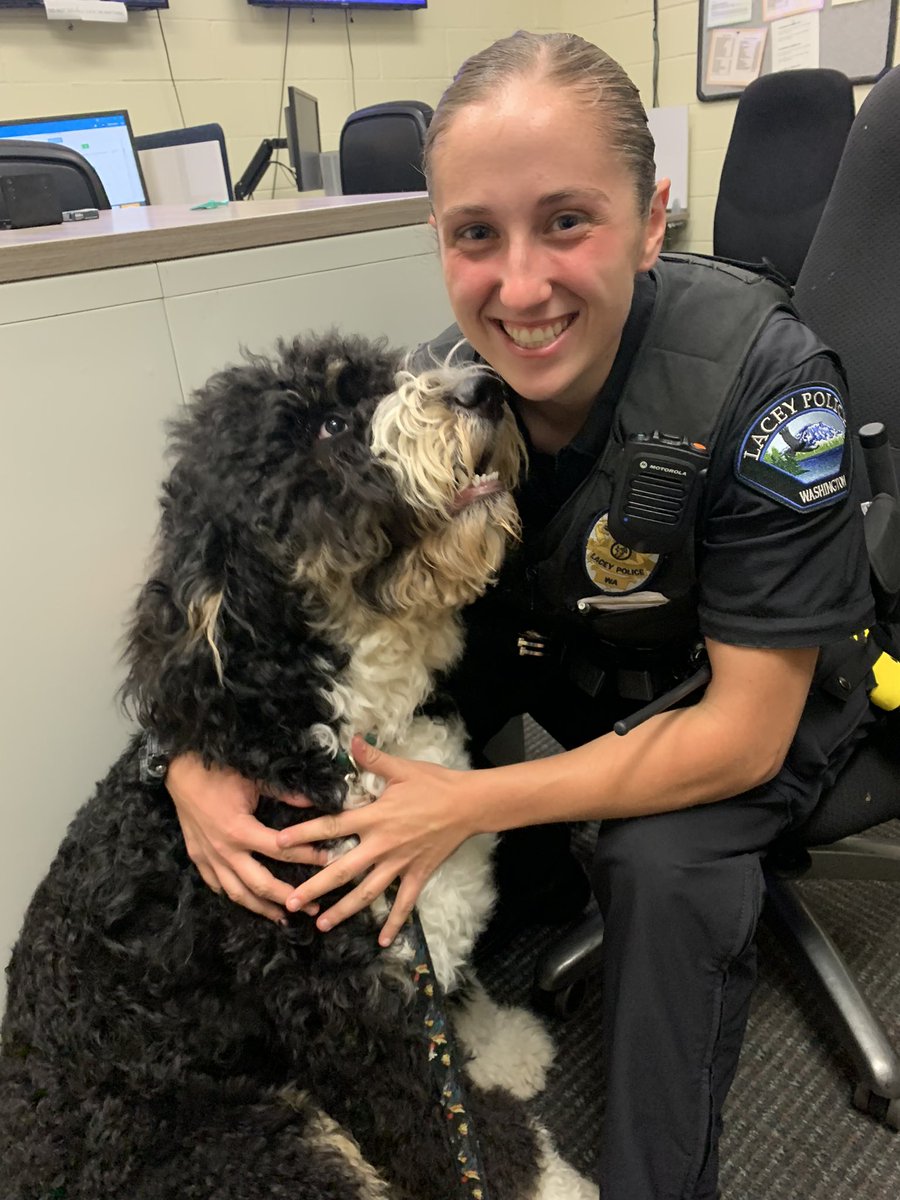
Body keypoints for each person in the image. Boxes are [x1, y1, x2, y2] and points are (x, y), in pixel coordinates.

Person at [160, 31, 877, 1200]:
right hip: (573, 667)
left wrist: (475, 801)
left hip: (747, 708)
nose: (521, 286)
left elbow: (744, 734)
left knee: (661, 858)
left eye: (568, 222)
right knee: (349, 763)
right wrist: (190, 757)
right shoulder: (449, 387)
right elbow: (287, 601)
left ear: (652, 219)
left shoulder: (764, 385)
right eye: (475, 235)